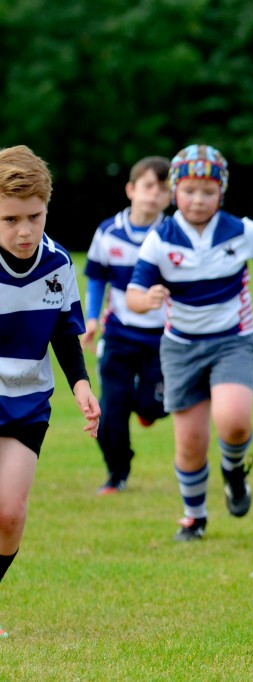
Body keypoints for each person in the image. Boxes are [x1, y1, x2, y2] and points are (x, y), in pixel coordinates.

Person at [126, 144, 253, 541]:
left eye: (208, 191)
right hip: (181, 348)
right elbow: (134, 292)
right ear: (174, 192)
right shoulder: (160, 239)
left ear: (221, 192)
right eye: (188, 191)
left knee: (234, 420)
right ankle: (194, 516)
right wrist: (145, 300)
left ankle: (234, 470)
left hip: (232, 341)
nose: (198, 200)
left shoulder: (241, 230)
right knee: (190, 442)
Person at [0, 145, 101, 636]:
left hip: (27, 402)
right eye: (9, 219)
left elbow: (64, 332)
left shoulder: (58, 263)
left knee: (9, 514)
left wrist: (81, 383)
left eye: (34, 217)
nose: (24, 231)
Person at [82, 156, 172, 494]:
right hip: (119, 334)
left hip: (163, 337)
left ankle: (147, 408)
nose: (154, 194)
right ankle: (117, 473)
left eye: (163, 189)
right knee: (111, 411)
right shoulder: (108, 233)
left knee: (155, 405)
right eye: (148, 186)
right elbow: (96, 279)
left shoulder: (171, 234)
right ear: (131, 190)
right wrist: (92, 320)